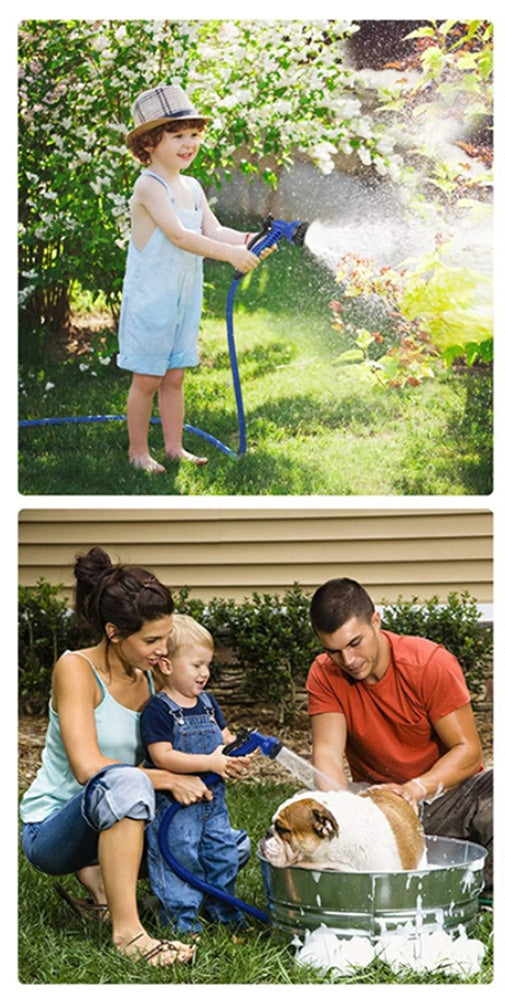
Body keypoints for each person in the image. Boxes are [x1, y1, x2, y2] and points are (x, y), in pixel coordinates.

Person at [19, 547, 206, 966]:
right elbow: (88, 767)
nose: (163, 649)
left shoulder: (151, 676)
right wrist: (166, 779)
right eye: (151, 641)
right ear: (114, 632)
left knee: (222, 845)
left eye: (166, 637)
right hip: (53, 829)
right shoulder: (75, 669)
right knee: (129, 781)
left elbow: (176, 747)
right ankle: (129, 935)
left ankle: (106, 886)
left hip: (116, 813)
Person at [305, 578, 493, 889]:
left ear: (376, 621)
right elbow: (327, 755)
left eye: (355, 643)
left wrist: (416, 789)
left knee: (500, 792)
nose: (348, 661)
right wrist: (343, 814)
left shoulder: (429, 664)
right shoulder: (324, 673)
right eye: (334, 651)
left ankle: (481, 891)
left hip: (446, 799)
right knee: (300, 817)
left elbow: (468, 751)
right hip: (380, 810)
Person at [119, 85, 263, 473]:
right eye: (178, 135)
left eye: (194, 134)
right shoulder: (149, 185)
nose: (189, 144)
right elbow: (180, 236)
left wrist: (249, 240)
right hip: (152, 298)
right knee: (148, 378)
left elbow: (213, 231)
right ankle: (138, 452)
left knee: (175, 376)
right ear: (148, 143)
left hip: (183, 297)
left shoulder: (192, 187)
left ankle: (173, 448)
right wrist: (231, 255)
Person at [141, 615, 252, 935]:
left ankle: (226, 916)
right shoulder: (158, 709)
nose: (205, 673)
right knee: (180, 860)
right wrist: (210, 763)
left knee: (223, 855)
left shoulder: (208, 703)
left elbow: (224, 739)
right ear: (166, 665)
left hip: (213, 805)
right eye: (196, 665)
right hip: (176, 809)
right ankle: (182, 923)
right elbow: (162, 756)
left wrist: (238, 753)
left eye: (208, 665)